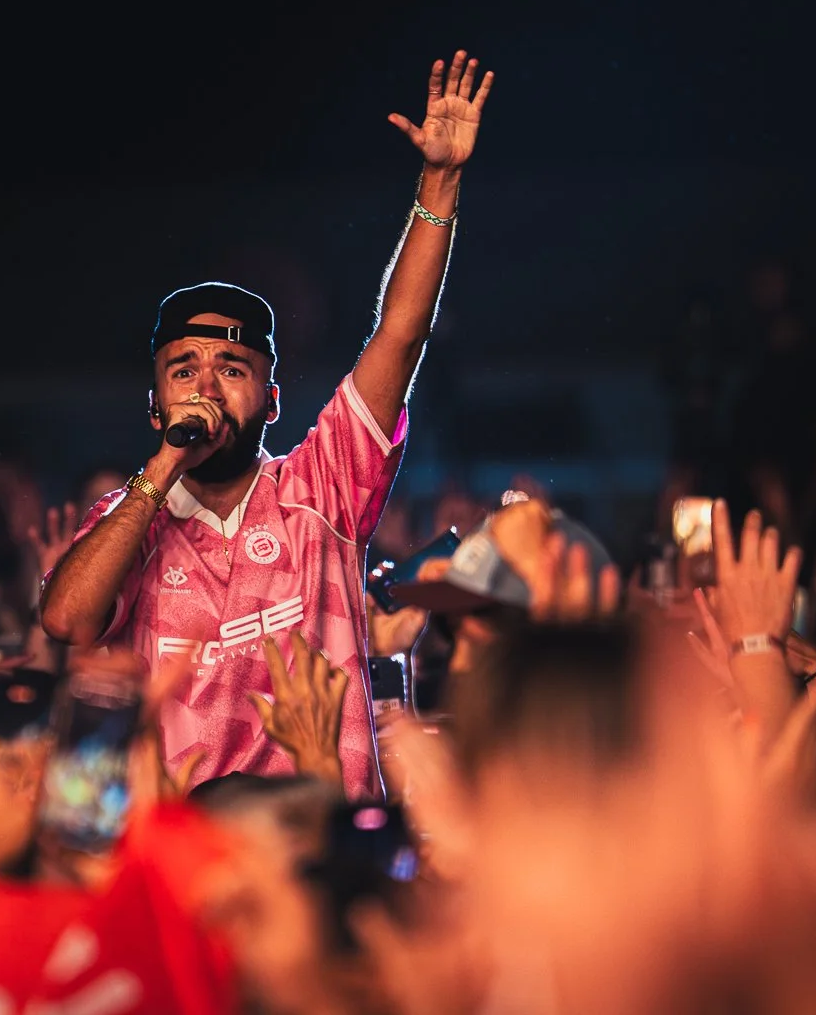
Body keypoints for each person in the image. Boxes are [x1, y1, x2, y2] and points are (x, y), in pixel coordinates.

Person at [41, 50, 495, 797]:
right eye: (184, 370)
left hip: (321, 845)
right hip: (192, 862)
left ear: (272, 399)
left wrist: (440, 181)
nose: (208, 386)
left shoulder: (323, 484)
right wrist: (164, 467)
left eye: (232, 368)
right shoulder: (128, 521)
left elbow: (400, 335)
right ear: (155, 406)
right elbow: (65, 621)